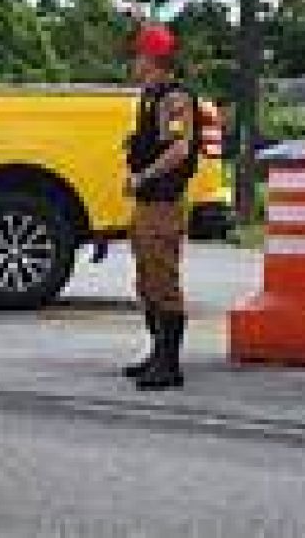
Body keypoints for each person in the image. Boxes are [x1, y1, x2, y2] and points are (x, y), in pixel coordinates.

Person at [121, 24, 200, 390]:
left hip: (164, 203)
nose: (133, 63)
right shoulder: (151, 97)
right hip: (148, 202)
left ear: (152, 59)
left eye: (138, 55)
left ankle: (169, 364)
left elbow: (179, 149)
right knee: (147, 280)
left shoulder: (174, 99)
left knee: (163, 280)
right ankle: (156, 354)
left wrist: (144, 176)